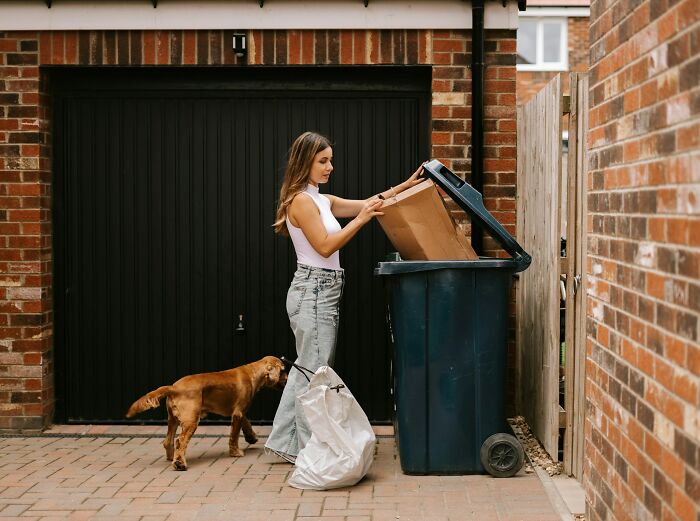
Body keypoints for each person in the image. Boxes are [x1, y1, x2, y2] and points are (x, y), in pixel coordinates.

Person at [264, 131, 423, 463]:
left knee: (307, 369)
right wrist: (364, 220)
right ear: (304, 161)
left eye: (330, 160)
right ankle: (309, 451)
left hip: (322, 289)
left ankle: (288, 443)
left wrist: (406, 185)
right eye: (323, 161)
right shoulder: (301, 201)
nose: (330, 167)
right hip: (314, 290)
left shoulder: (321, 199)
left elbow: (370, 202)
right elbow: (324, 245)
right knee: (315, 373)